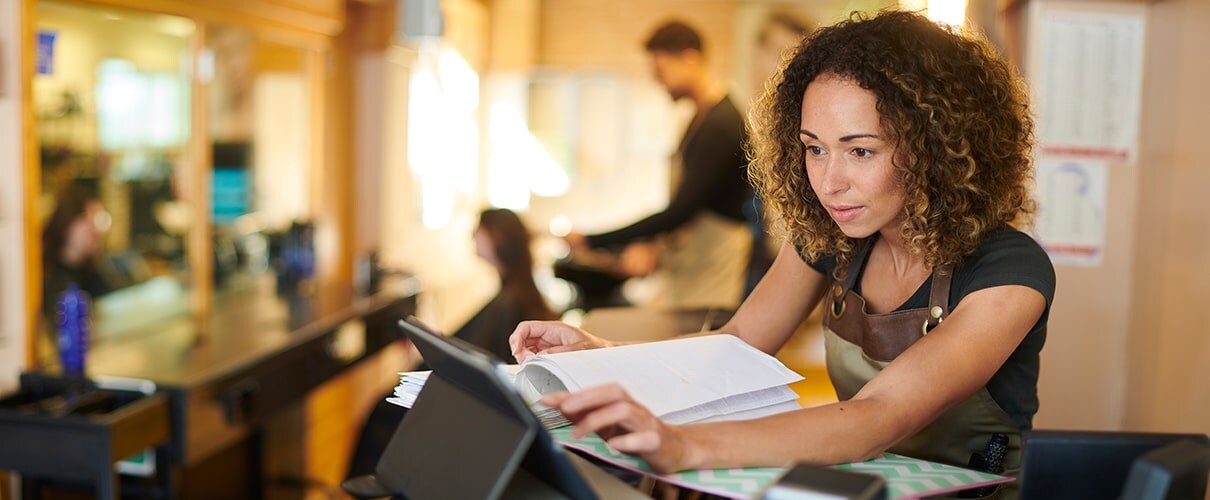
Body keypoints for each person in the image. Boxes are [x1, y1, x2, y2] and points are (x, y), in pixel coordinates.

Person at [511, 10, 1054, 498]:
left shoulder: (1010, 272)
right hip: (860, 484)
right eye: (814, 148)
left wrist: (685, 446)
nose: (829, 181)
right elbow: (738, 344)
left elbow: (877, 414)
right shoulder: (833, 236)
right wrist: (601, 356)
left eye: (860, 150)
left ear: (937, 147)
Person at [346, 208, 558, 477]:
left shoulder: (512, 304)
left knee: (382, 412)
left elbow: (479, 357)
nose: (472, 236)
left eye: (477, 230)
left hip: (474, 409)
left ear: (495, 238)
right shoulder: (515, 294)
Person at [566, 19, 753, 311]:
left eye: (661, 70)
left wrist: (594, 240)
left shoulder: (722, 123)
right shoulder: (699, 118)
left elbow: (681, 210)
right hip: (694, 257)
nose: (658, 80)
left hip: (713, 261)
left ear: (690, 59)